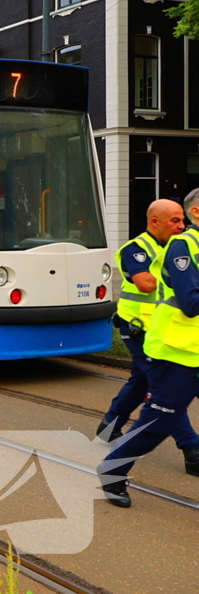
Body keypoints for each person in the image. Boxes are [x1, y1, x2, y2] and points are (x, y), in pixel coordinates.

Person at [100, 188, 199, 508]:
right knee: (160, 419)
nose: (178, 224)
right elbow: (190, 303)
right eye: (175, 220)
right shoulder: (183, 246)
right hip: (174, 350)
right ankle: (113, 468)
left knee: (151, 401)